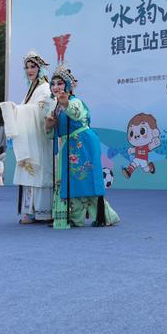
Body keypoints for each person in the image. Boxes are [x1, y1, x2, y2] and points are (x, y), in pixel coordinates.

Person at [45, 64, 120, 229]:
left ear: (68, 86)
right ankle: (75, 218)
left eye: (60, 83)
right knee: (72, 182)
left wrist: (66, 104)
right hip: (69, 145)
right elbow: (53, 134)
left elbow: (77, 114)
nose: (56, 87)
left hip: (82, 143)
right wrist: (49, 126)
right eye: (53, 84)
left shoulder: (75, 101)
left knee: (86, 180)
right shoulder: (56, 107)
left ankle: (105, 216)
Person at [0, 51, 54, 224]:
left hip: (40, 139)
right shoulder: (32, 88)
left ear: (40, 69)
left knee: (41, 173)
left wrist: (17, 110)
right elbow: (30, 109)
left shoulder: (45, 88)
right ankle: (30, 211)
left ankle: (43, 211)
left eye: (33, 67)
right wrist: (17, 110)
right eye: (27, 67)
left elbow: (41, 111)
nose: (29, 70)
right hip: (31, 139)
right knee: (31, 175)